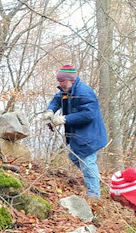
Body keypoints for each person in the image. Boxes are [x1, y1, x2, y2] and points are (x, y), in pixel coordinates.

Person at [40, 65, 107, 198]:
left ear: (71, 79)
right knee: (74, 157)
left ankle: (94, 195)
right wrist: (50, 111)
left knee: (87, 163)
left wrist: (65, 119)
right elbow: (57, 99)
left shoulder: (84, 92)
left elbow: (89, 114)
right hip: (79, 136)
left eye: (62, 81)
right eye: (59, 82)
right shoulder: (67, 90)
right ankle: (95, 180)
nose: (60, 84)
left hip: (90, 136)